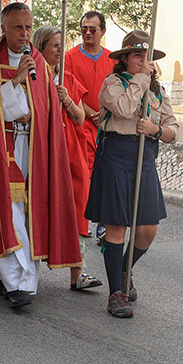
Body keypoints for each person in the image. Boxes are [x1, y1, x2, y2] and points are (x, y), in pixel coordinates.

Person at [0, 3, 82, 309]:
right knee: (7, 209)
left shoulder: (36, 59)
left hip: (33, 145)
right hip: (0, 146)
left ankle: (9, 275)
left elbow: (46, 104)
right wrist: (14, 82)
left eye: (28, 27)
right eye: (17, 27)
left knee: (30, 211)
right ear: (3, 28)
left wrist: (34, 113)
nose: (24, 34)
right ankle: (19, 283)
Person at [85, 30, 179, 318]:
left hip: (144, 157)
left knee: (148, 228)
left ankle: (125, 268)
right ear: (125, 59)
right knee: (116, 227)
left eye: (147, 56)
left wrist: (156, 130)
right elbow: (125, 108)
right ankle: (116, 293)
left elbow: (173, 130)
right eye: (138, 55)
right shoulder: (112, 84)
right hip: (115, 156)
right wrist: (140, 80)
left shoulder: (157, 91)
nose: (144, 61)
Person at [34, 25, 103, 292]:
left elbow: (80, 118)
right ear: (40, 48)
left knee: (77, 209)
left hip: (71, 151)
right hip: (41, 152)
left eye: (62, 45)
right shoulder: (32, 78)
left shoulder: (68, 80)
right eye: (54, 45)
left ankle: (78, 272)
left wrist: (67, 101)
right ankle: (26, 273)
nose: (60, 51)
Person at [64, 11, 113, 222]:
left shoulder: (112, 59)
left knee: (107, 176)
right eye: (84, 29)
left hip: (107, 126)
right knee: (83, 176)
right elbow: (68, 89)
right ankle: (81, 221)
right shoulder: (69, 58)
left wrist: (106, 112)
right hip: (80, 125)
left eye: (93, 29)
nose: (88, 33)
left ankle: (104, 221)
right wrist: (91, 112)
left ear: (102, 31)